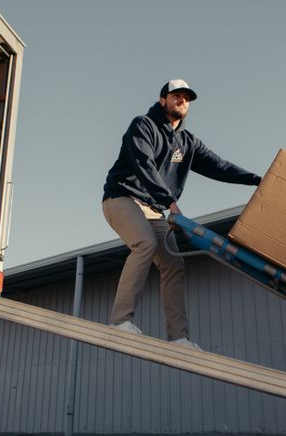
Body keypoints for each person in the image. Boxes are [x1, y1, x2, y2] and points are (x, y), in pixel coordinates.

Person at [102, 79, 261, 349]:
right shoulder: (143, 126)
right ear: (163, 99)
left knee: (174, 264)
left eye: (186, 97)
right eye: (176, 95)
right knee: (145, 244)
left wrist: (257, 180)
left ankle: (178, 337)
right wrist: (170, 202)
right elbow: (144, 165)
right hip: (121, 197)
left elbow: (218, 166)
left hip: (152, 209)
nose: (182, 101)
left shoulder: (187, 142)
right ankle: (120, 322)